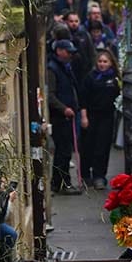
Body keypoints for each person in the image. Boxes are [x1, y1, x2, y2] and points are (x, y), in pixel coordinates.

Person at [46, 39, 87, 194]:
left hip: (67, 117)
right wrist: (64, 109)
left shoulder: (64, 67)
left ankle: (59, 183)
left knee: (64, 150)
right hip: (60, 117)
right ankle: (62, 184)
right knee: (63, 151)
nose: (70, 55)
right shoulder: (53, 69)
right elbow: (50, 96)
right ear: (59, 51)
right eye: (68, 52)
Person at [80, 50, 121, 189]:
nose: (102, 64)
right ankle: (85, 175)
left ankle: (99, 176)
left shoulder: (115, 79)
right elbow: (83, 99)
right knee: (87, 147)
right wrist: (84, 117)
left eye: (105, 61)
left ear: (110, 63)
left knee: (102, 147)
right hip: (91, 116)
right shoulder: (90, 78)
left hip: (107, 117)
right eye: (100, 61)